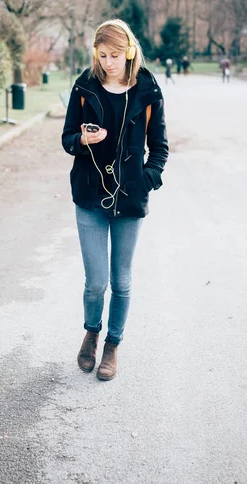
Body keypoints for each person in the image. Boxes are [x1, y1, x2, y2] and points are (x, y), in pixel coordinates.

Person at [62, 19, 169, 381]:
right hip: (90, 197)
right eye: (103, 55)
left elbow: (160, 148)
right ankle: (91, 332)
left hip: (129, 201)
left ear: (130, 52)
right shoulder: (84, 87)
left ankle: (112, 345)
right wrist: (83, 140)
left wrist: (145, 181)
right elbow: (67, 139)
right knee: (96, 282)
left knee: (121, 282)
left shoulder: (148, 91)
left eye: (115, 55)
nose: (109, 62)